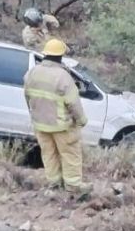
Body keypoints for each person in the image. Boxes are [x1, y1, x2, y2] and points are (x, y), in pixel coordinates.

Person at [24, 39, 90, 197]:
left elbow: (28, 98)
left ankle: (54, 183)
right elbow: (73, 103)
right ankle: (73, 186)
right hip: (62, 126)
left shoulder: (31, 73)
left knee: (48, 154)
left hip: (40, 125)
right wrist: (81, 121)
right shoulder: (63, 77)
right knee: (70, 154)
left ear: (46, 54)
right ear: (60, 56)